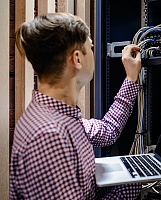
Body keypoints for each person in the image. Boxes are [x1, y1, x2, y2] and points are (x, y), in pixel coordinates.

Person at [10, 12, 142, 199]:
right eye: (91, 47)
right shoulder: (49, 136)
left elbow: (108, 131)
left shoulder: (62, 117)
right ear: (77, 59)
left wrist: (131, 78)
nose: (94, 53)